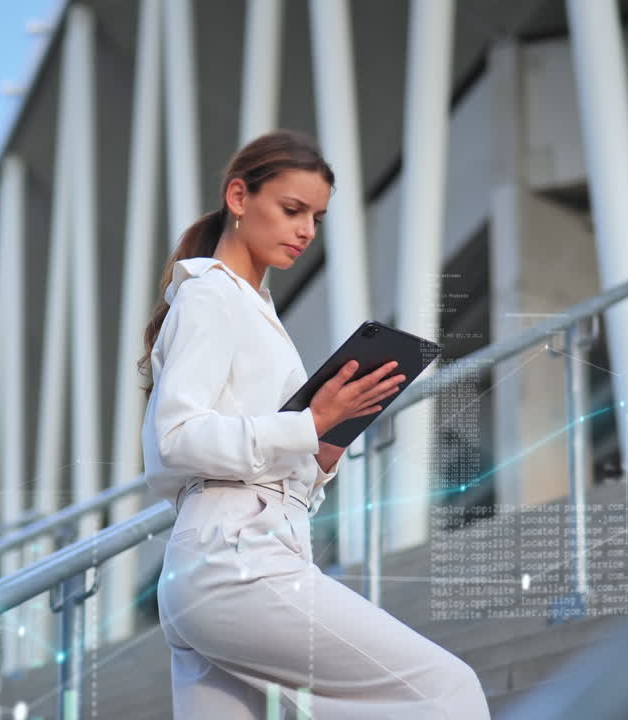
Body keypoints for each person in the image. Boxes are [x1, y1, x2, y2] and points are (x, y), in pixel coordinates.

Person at [138, 129, 491, 719]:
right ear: (239, 197)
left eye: (317, 218)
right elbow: (175, 440)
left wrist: (321, 450)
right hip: (236, 560)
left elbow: (261, 452)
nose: (305, 231)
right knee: (448, 693)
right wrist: (310, 423)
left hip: (219, 562)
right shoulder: (211, 296)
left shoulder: (251, 308)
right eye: (292, 210)